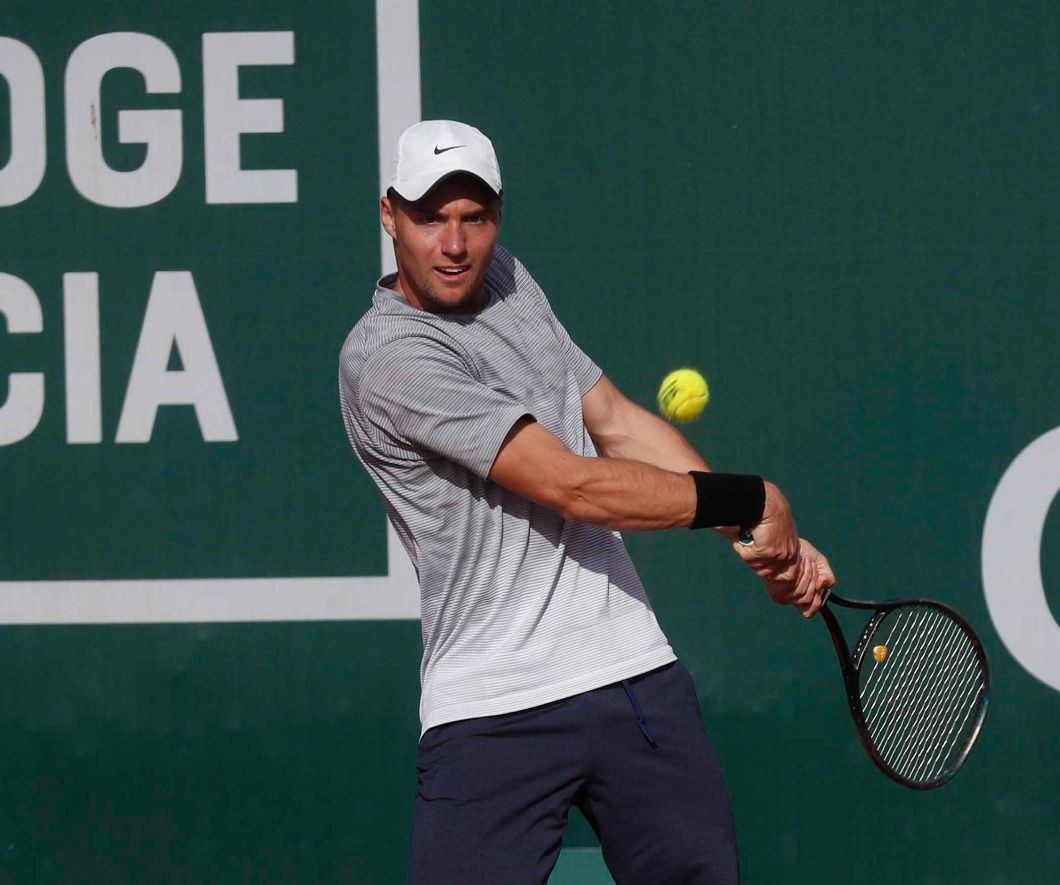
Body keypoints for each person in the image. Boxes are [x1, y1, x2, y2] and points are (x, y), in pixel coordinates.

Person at [337, 119, 835, 884]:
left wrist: (760, 535)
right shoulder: (389, 357)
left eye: (475, 217)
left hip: (629, 672)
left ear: (498, 216)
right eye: (430, 217)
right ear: (388, 214)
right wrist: (756, 495)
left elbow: (614, 420)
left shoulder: (507, 278)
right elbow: (571, 481)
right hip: (491, 701)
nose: (455, 244)